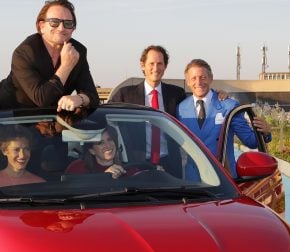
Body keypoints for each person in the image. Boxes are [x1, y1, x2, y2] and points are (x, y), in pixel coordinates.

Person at [0, 0, 99, 112]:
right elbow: (42, 99)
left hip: (49, 117)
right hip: (6, 115)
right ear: (42, 26)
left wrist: (80, 99)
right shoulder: (25, 52)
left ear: (73, 29)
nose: (61, 28)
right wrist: (66, 66)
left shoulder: (78, 51)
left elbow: (93, 96)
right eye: (54, 22)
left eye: (68, 23)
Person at [176, 58, 272, 179]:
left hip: (224, 178)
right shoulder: (181, 108)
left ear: (211, 78)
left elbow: (251, 141)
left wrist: (266, 133)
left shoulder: (229, 106)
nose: (198, 82)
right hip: (192, 180)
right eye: (193, 78)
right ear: (188, 82)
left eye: (203, 77)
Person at [107, 46, 186, 176]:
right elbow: (105, 120)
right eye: (151, 63)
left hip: (170, 163)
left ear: (165, 67)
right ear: (142, 65)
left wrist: (218, 95)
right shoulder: (125, 95)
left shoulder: (177, 94)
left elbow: (195, 106)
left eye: (160, 63)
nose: (156, 68)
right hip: (135, 164)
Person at [65, 127, 130, 179]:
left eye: (110, 139)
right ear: (92, 151)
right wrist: (104, 177)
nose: (108, 145)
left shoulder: (129, 169)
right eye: (100, 143)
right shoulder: (77, 168)